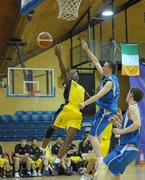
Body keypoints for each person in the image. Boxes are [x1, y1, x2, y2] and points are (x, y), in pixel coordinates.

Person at [34, 45, 90, 175]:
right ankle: (42, 149)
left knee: (69, 140)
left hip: (77, 113)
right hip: (67, 108)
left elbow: (91, 99)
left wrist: (99, 95)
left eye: (75, 73)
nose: (73, 73)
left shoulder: (82, 89)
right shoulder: (69, 83)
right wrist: (59, 57)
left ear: (78, 77)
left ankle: (57, 161)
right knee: (52, 128)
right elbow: (64, 71)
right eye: (71, 73)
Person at [79, 40, 120, 171]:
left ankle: (101, 162)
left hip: (107, 112)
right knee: (94, 136)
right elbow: (96, 61)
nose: (102, 66)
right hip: (103, 110)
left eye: (105, 66)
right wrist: (87, 50)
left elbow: (98, 96)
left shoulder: (109, 83)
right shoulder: (106, 76)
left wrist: (84, 103)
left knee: (91, 136)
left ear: (110, 69)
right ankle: (97, 155)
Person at [95, 88, 144, 180]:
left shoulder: (132, 107)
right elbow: (129, 127)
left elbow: (138, 124)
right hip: (130, 150)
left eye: (128, 92)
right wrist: (117, 122)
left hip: (126, 148)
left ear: (130, 95)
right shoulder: (134, 108)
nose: (126, 94)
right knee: (114, 173)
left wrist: (120, 131)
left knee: (102, 166)